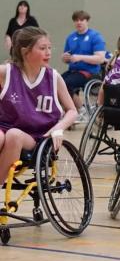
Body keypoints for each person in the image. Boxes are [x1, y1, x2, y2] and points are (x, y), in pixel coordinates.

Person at [0, 27, 77, 185]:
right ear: (25, 51)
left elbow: (72, 111)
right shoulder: (6, 72)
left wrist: (59, 127)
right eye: (42, 48)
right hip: (4, 128)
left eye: (49, 47)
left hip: (37, 137)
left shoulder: (53, 77)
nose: (48, 52)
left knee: (14, 135)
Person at [61, 11, 106, 118]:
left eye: (81, 20)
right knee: (55, 82)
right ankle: (69, 110)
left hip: (90, 72)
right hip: (73, 71)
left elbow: (100, 58)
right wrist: (65, 58)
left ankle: (82, 109)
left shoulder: (95, 36)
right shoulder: (71, 37)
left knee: (66, 83)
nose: (79, 22)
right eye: (76, 20)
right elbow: (66, 57)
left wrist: (80, 57)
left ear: (87, 21)